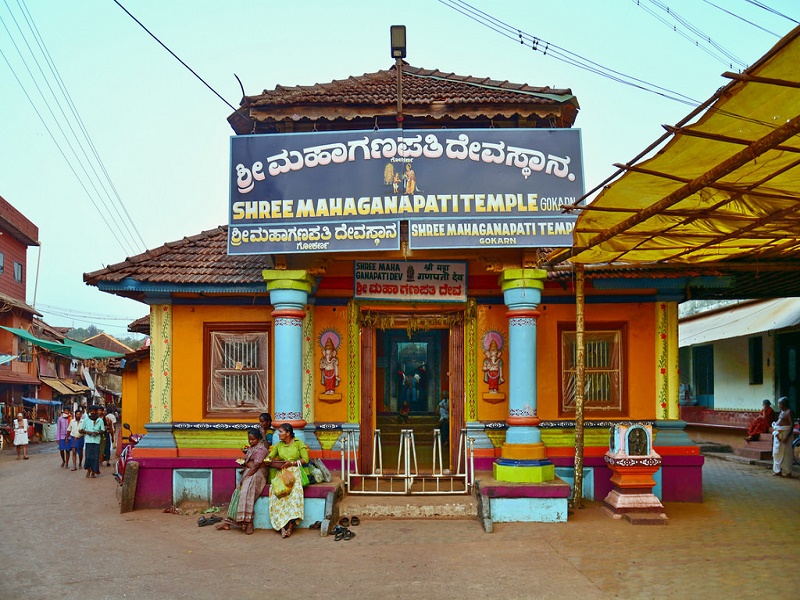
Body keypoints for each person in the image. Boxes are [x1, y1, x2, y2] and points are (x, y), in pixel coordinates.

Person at [217, 428, 269, 535]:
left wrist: (246, 477)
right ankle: (228, 522)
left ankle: (249, 522)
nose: (251, 442)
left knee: (247, 491)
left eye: (253, 440)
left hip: (258, 474)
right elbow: (249, 463)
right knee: (237, 493)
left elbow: (256, 466)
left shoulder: (261, 449)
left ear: (259, 439)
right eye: (249, 439)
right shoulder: (251, 448)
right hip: (250, 472)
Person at [266, 423, 309, 538]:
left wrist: (293, 463)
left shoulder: (298, 443)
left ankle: (290, 528)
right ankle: (282, 527)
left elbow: (305, 459)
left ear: (288, 433)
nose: (278, 434)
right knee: (277, 497)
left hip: (295, 473)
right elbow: (270, 457)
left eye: (281, 432)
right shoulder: (279, 445)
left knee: (293, 498)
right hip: (282, 473)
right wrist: (268, 460)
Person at [772, 397, 794, 477]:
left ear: (783, 404)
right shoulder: (782, 412)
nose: (778, 405)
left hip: (785, 434)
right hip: (778, 434)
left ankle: (788, 472)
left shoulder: (789, 412)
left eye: (779, 403)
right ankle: (778, 471)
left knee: (786, 454)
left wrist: (787, 437)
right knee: (777, 453)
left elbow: (792, 425)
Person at [81, 405, 105, 478]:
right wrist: (88, 432)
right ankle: (88, 470)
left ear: (96, 411)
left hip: (96, 441)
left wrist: (97, 433)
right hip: (88, 441)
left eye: (94, 411)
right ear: (89, 411)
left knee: (95, 457)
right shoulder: (86, 420)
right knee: (88, 457)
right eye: (91, 411)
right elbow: (82, 430)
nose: (93, 412)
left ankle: (94, 472)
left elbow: (103, 430)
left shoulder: (100, 420)